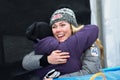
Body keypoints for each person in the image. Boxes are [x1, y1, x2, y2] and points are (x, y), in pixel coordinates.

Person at [22, 8, 101, 80]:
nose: (58, 30)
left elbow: (90, 72)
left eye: (62, 25)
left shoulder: (90, 44)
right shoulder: (53, 44)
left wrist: (58, 79)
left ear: (72, 26)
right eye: (54, 27)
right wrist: (47, 59)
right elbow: (26, 61)